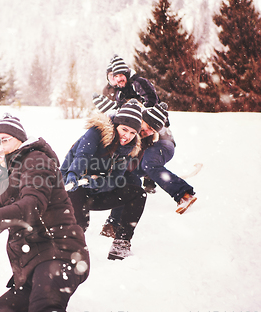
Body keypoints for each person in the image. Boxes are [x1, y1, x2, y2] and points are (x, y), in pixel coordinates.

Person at [0, 113, 90, 312]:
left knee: (44, 310)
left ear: (20, 139)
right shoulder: (7, 174)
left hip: (61, 254)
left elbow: (33, 203)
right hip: (31, 266)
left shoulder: (36, 160)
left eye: (5, 140)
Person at [60, 101, 147, 260]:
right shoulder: (96, 133)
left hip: (95, 190)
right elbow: (82, 156)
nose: (127, 136)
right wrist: (73, 173)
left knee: (138, 193)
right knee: (80, 223)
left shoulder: (128, 148)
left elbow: (115, 179)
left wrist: (98, 183)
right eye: (124, 129)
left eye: (133, 132)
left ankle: (121, 244)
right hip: (73, 186)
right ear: (116, 125)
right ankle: (68, 251)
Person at [100, 103, 198, 237]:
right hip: (150, 148)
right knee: (129, 178)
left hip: (164, 144)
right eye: (148, 127)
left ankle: (184, 194)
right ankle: (114, 224)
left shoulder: (150, 136)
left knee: (149, 164)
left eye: (152, 129)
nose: (148, 132)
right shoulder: (133, 125)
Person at [93, 54, 159, 113]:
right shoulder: (120, 92)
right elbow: (120, 109)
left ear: (126, 75)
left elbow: (151, 101)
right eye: (116, 76)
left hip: (153, 120)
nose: (119, 79)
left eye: (121, 75)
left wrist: (137, 112)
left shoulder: (138, 83)